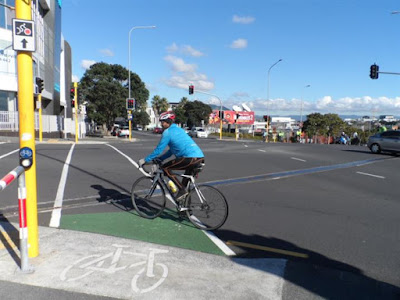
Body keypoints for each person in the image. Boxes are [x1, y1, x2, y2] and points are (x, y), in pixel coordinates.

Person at [138, 111, 205, 201]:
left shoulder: (167, 132)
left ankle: (181, 190)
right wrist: (161, 158)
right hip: (199, 158)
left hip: (190, 158)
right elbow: (171, 151)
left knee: (166, 168)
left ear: (168, 122)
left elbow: (158, 150)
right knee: (185, 185)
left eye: (162, 122)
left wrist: (145, 160)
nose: (161, 124)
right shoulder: (179, 130)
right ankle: (185, 210)